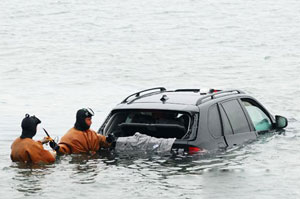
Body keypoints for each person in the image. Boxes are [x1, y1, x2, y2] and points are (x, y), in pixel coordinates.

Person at [50, 108, 114, 155]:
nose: (91, 122)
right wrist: (57, 148)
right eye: (88, 120)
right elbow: (64, 148)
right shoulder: (69, 136)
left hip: (92, 162)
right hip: (80, 161)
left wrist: (108, 140)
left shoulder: (92, 133)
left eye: (90, 119)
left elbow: (101, 140)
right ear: (81, 120)